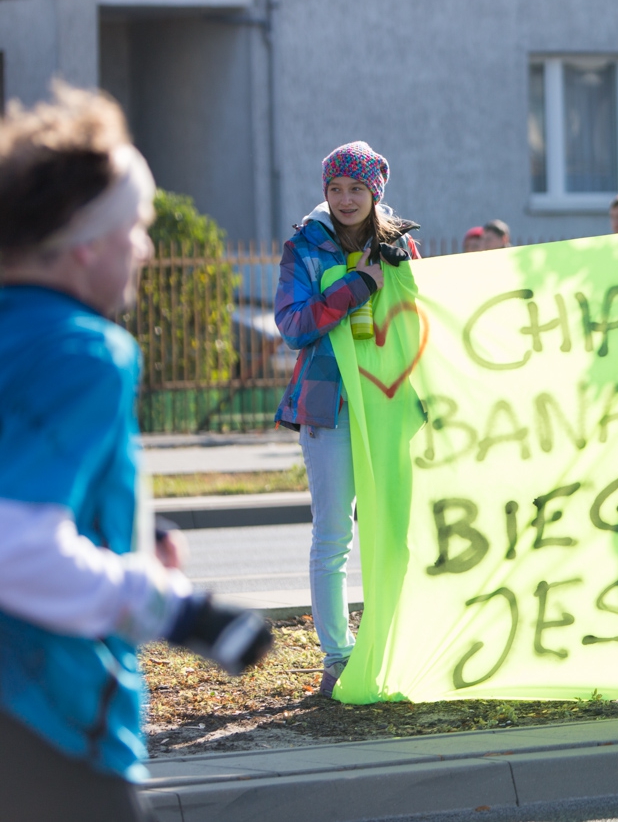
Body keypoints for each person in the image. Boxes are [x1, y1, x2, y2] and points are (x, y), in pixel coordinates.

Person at [0, 85, 271, 821]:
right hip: (48, 715)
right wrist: (174, 608)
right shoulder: (85, 350)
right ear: (88, 241)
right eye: (137, 226)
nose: (146, 247)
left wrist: (123, 532)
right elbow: (15, 544)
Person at [274, 141, 419, 697]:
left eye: (356, 188)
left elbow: (420, 321)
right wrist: (357, 286)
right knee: (334, 535)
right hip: (328, 405)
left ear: (376, 192)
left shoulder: (401, 247)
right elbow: (293, 325)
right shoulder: (304, 248)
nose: (345, 198)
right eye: (335, 188)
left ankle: (391, 644)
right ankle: (338, 657)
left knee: (396, 533)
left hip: (390, 401)